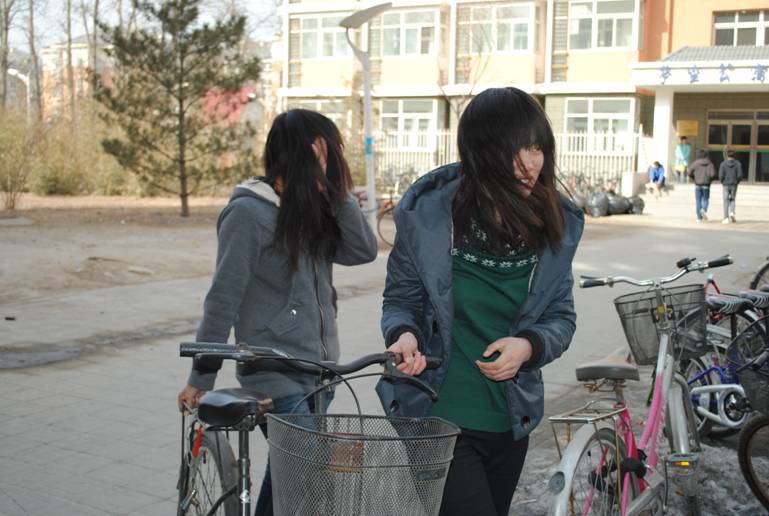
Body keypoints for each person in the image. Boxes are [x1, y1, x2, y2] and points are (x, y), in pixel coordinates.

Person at [377, 87, 584, 516]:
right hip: (437, 416)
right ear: (483, 153)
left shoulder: (553, 224)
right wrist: (404, 334)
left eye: (537, 148)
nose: (530, 164)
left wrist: (528, 346)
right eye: (515, 150)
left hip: (509, 419)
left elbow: (561, 317)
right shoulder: (430, 218)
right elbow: (401, 299)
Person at [177, 109, 378, 515]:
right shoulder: (248, 213)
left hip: (320, 370)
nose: (334, 160)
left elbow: (363, 250)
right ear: (306, 153)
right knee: (305, 469)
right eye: (328, 152)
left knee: (293, 477)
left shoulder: (311, 207)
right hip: (272, 369)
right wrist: (202, 374)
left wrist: (335, 191)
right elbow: (224, 296)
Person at [687, 149, 716, 222]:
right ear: (706, 155)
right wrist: (710, 180)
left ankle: (699, 218)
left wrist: (694, 178)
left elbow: (689, 172)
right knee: (705, 199)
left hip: (698, 184)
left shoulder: (695, 163)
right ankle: (704, 209)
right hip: (706, 184)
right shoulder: (710, 164)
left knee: (698, 200)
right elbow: (713, 174)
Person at [719, 149, 743, 224]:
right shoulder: (738, 164)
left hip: (725, 184)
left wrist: (722, 181)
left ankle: (726, 218)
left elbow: (721, 175)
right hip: (734, 184)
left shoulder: (723, 164)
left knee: (725, 200)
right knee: (732, 199)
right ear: (734, 155)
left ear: (727, 155)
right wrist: (737, 182)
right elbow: (740, 175)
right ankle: (732, 212)